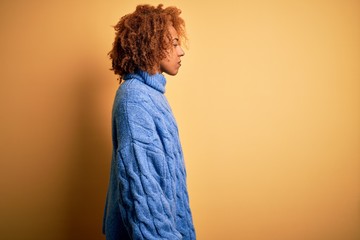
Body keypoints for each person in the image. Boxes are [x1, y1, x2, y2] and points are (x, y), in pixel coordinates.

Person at [102, 4, 196, 240]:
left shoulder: (152, 95)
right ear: (151, 45)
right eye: (174, 43)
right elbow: (142, 193)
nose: (181, 51)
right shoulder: (134, 99)